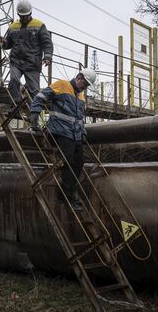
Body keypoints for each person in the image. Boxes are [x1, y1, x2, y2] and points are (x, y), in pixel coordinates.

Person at [28, 68, 97, 210]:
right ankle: (70, 196)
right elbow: (41, 96)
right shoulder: (62, 85)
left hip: (75, 134)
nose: (85, 87)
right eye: (85, 84)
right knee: (68, 162)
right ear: (79, 77)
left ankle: (63, 193)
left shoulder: (81, 96)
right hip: (60, 131)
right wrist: (35, 112)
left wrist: (82, 133)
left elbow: (78, 118)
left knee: (79, 163)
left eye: (87, 86)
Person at [0, 0, 53, 105]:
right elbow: (8, 44)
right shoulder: (13, 27)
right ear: (18, 14)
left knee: (34, 90)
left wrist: (48, 57)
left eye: (26, 16)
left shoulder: (39, 25)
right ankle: (16, 104)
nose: (24, 18)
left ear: (30, 13)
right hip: (16, 62)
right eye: (22, 16)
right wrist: (3, 43)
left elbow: (47, 43)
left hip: (32, 63)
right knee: (13, 80)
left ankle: (35, 112)